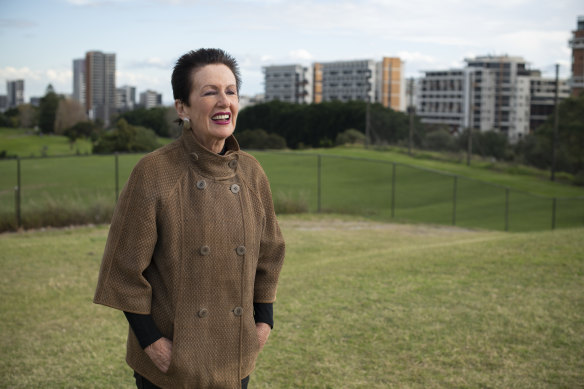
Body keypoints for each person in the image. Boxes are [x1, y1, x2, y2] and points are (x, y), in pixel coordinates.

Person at [94, 48, 285, 389]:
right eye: (209, 92)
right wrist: (152, 342)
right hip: (171, 364)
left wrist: (264, 322)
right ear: (182, 107)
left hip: (235, 356)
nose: (223, 101)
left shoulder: (252, 173)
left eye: (230, 91)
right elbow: (123, 269)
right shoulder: (154, 172)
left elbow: (270, 253)